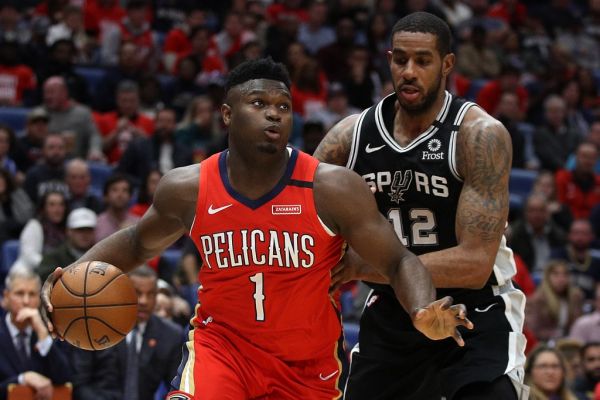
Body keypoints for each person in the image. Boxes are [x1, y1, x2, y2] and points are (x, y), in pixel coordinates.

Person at [41, 57, 472, 400]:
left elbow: (398, 260)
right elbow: (136, 243)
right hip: (222, 351)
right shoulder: (188, 188)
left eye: (283, 107)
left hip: (307, 366)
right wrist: (68, 277)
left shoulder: (331, 187)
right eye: (259, 104)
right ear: (227, 114)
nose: (274, 115)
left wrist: (420, 311)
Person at [313, 12, 527, 399]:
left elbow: (476, 264)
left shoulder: (479, 136)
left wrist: (370, 266)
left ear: (446, 64)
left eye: (423, 61)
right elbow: (306, 224)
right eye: (400, 60)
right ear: (390, 59)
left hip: (474, 312)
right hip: (394, 310)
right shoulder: (349, 137)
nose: (409, 71)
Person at [0, 267, 72, 400]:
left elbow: (65, 378)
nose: (26, 301)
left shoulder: (52, 332)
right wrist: (22, 379)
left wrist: (43, 335)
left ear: (39, 300)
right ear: (5, 298)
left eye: (32, 294)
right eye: (19, 293)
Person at [115, 265, 184, 400]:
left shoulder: (171, 334)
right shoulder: (99, 327)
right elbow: (82, 384)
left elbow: (175, 388)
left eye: (151, 294)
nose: (144, 301)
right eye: (137, 293)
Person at [37, 207, 97, 282]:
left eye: (89, 230)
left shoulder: (102, 255)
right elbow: (44, 278)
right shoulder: (53, 257)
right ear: (68, 231)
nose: (84, 234)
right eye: (79, 230)